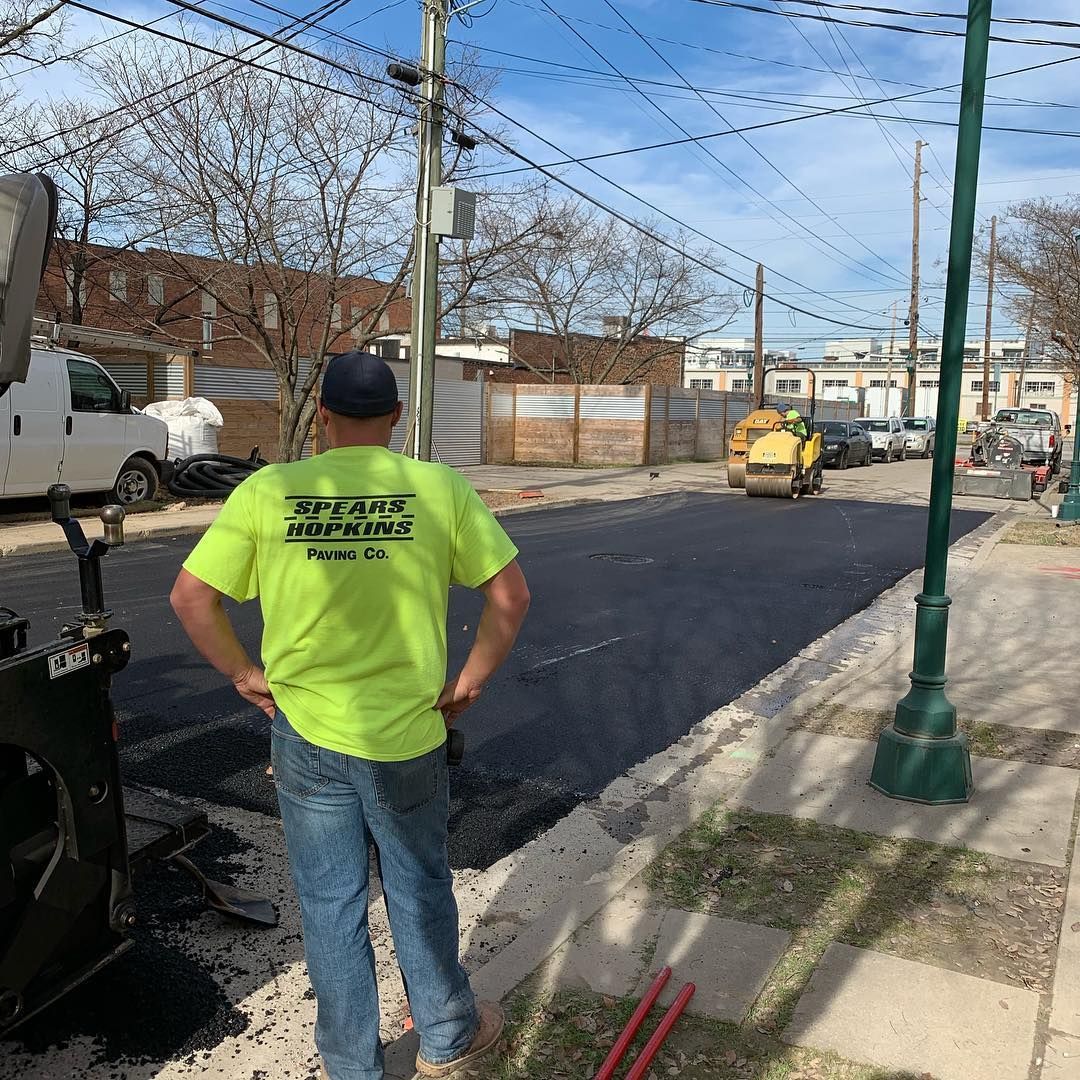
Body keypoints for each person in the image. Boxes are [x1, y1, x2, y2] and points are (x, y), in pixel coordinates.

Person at [170, 351, 531, 1080]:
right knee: (418, 886)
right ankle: (447, 1035)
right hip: (407, 737)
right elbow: (510, 597)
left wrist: (244, 673)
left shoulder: (269, 491)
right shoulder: (439, 488)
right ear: (397, 417)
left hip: (305, 734)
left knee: (331, 904)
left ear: (323, 417)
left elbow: (190, 598)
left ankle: (352, 1065)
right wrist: (469, 681)